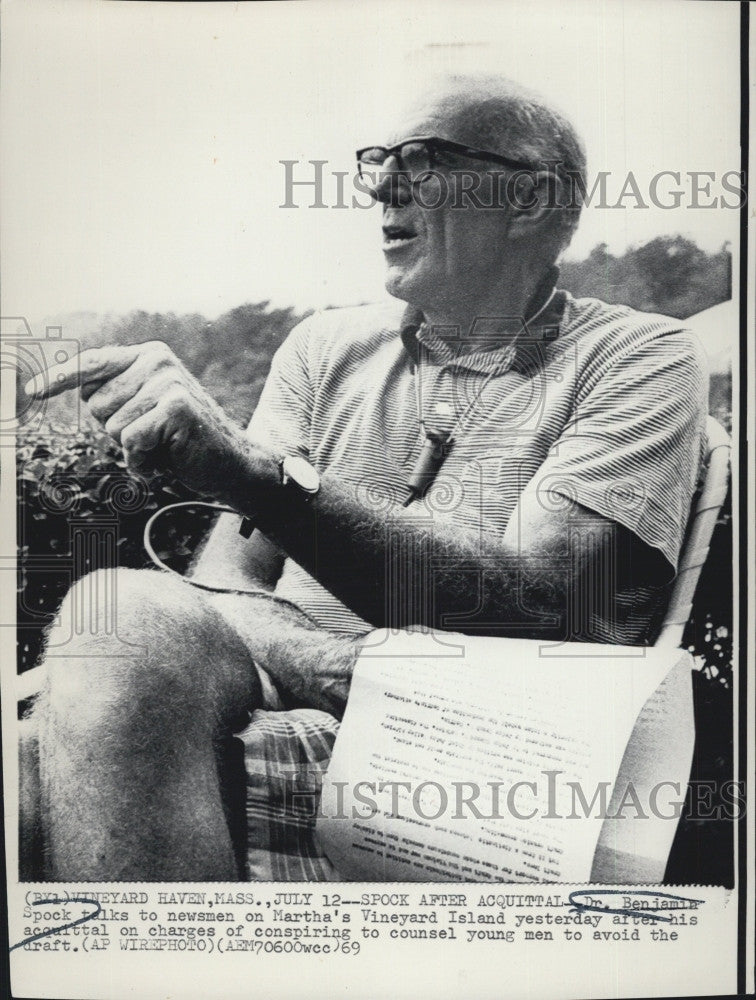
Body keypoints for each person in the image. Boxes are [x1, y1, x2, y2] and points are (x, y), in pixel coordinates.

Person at [23, 74, 708, 881]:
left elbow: (543, 603)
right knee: (94, 659)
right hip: (291, 695)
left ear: (528, 200)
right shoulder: (324, 349)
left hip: (482, 760)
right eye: (378, 160)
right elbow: (223, 589)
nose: (382, 184)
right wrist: (318, 660)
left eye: (421, 160)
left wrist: (255, 474)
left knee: (101, 662)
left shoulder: (641, 355)